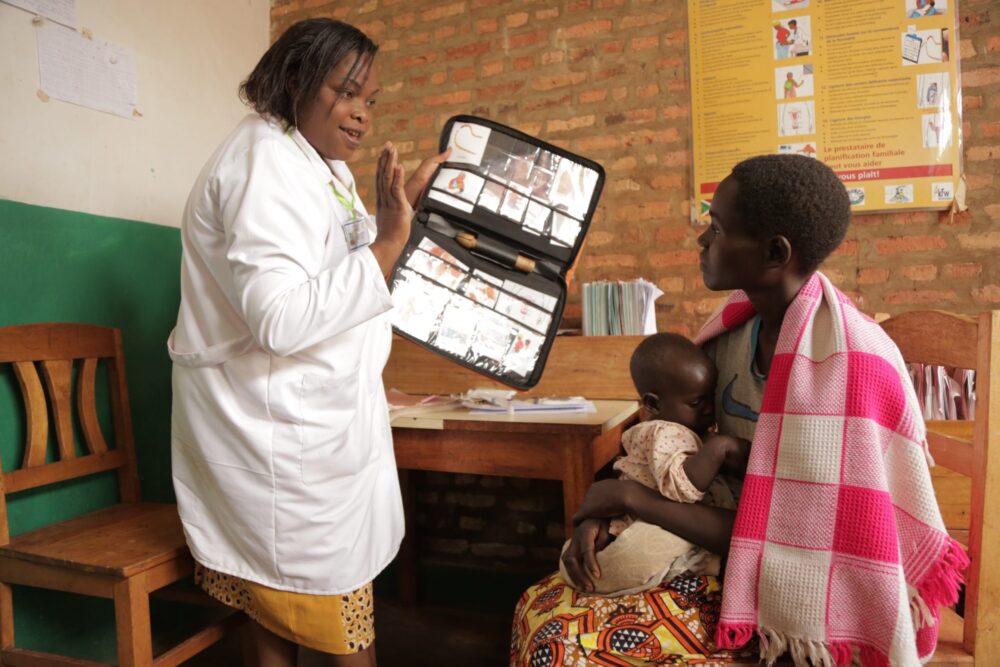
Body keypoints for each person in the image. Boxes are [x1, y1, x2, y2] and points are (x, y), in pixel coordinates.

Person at [510, 154, 966, 667]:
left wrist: (629, 498)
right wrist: (607, 515)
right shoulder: (727, 338)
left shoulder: (854, 367)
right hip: (714, 551)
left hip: (803, 602)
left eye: (718, 227)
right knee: (537, 606)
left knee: (561, 646)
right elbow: (676, 459)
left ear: (775, 252)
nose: (703, 240)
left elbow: (794, 535)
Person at [167, 18, 448, 666]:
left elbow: (329, 268)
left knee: (278, 618)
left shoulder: (315, 163)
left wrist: (390, 216)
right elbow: (282, 317)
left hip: (308, 427)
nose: (361, 115)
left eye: (369, 100)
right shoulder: (261, 163)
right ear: (295, 79)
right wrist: (384, 245)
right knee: (332, 623)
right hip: (274, 438)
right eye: (347, 92)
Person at [558, 333, 748, 596]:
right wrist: (720, 448)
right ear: (652, 404)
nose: (708, 409)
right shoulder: (663, 431)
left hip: (657, 513)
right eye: (695, 403)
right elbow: (680, 488)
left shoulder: (682, 427)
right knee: (631, 558)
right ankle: (696, 563)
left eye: (710, 397)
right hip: (650, 520)